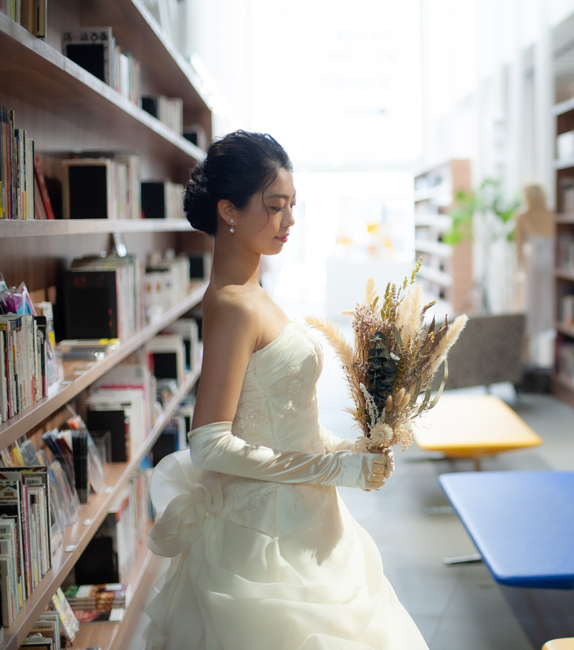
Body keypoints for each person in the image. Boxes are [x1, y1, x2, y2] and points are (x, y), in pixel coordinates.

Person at [143, 130, 428, 650]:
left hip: (309, 518)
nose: (289, 221)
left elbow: (281, 414)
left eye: (292, 206)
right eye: (275, 207)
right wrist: (334, 468)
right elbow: (208, 442)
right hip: (264, 541)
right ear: (229, 211)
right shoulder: (232, 304)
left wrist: (348, 448)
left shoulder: (257, 291)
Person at [514, 183, 555, 367]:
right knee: (548, 305)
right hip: (552, 266)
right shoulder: (552, 214)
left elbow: (519, 249)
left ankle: (525, 359)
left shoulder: (522, 216)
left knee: (529, 309)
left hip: (533, 269)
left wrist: (520, 272)